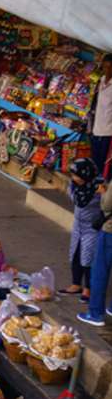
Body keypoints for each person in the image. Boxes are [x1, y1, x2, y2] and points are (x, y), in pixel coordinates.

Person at [62, 157, 104, 301]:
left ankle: (88, 289)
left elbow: (105, 206)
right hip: (78, 225)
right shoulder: (75, 185)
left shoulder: (100, 187)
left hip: (92, 227)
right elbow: (75, 198)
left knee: (88, 258)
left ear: (86, 174)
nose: (74, 178)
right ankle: (76, 284)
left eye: (76, 175)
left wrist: (102, 194)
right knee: (75, 253)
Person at [79, 178, 112, 327]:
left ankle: (95, 313)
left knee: (99, 273)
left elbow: (107, 205)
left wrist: (104, 192)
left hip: (109, 232)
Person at [90, 55, 112, 180]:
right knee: (95, 163)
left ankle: (101, 191)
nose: (107, 70)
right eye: (105, 67)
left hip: (108, 133)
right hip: (96, 130)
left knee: (104, 165)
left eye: (110, 68)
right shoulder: (101, 80)